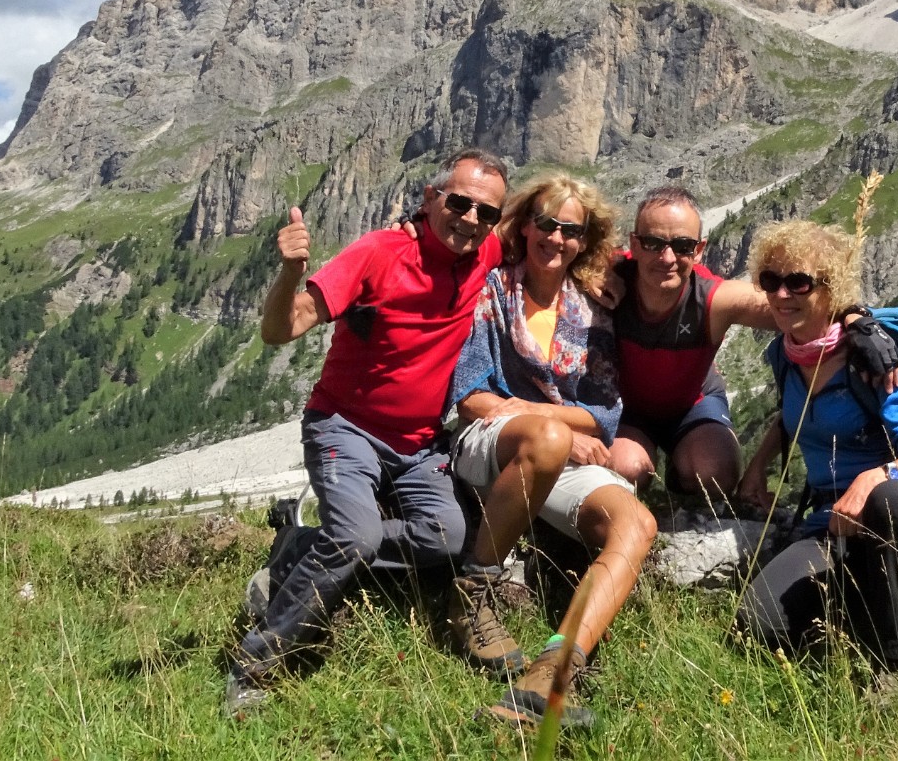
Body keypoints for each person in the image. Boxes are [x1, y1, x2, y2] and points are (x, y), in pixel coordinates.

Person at [225, 148, 512, 714]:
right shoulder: (379, 252)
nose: (472, 219)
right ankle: (255, 664)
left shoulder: (488, 250)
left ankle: (302, 545)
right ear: (431, 199)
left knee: (447, 540)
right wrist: (290, 273)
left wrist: (617, 275)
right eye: (459, 203)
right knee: (355, 538)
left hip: (419, 443)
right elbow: (282, 329)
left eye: (487, 213)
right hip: (344, 426)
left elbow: (558, 234)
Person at [448, 173, 657, 727]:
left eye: (571, 230)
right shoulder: (491, 288)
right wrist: (556, 425)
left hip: (563, 450)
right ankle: (474, 593)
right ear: (525, 224)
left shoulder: (592, 309)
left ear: (584, 241)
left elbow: (605, 411)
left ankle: (555, 669)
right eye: (546, 222)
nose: (556, 237)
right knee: (549, 437)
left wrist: (558, 427)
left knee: (636, 524)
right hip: (490, 443)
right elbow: (469, 396)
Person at [735, 220, 898, 674]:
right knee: (756, 626)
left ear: (829, 290)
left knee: (889, 498)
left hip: (895, 522)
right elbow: (796, 415)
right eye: (770, 281)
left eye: (798, 282)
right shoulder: (785, 356)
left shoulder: (871, 361)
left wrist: (873, 479)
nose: (781, 295)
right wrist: (758, 465)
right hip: (828, 524)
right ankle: (863, 603)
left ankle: (895, 667)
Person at [605, 186, 898, 500]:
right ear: (634, 244)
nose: (666, 258)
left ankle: (679, 495)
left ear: (699, 249)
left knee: (713, 475)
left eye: (682, 246)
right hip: (629, 411)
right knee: (625, 469)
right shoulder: (604, 277)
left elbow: (800, 307)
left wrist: (858, 319)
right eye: (652, 243)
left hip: (693, 403)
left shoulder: (716, 300)